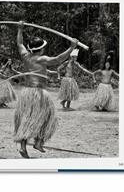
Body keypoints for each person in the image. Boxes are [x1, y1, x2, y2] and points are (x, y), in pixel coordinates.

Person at [14, 21, 79, 158]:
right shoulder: (42, 58)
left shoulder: (25, 55)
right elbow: (58, 59)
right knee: (48, 117)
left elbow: (20, 43)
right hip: (38, 93)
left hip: (26, 93)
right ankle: (39, 141)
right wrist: (71, 47)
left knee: (27, 119)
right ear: (41, 49)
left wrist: (20, 29)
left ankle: (24, 147)